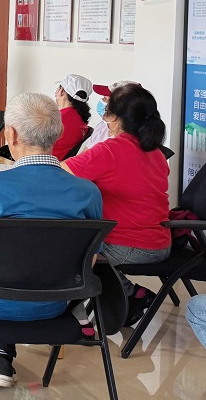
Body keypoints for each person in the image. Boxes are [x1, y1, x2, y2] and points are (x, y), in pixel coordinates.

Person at [0, 93, 102, 390]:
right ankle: (2, 358)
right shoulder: (88, 192)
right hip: (53, 306)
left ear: (10, 134)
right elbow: (88, 262)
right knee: (20, 262)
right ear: (57, 134)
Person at [63, 83, 170, 325]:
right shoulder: (156, 153)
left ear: (113, 117)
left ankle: (74, 318)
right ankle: (132, 294)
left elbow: (59, 173)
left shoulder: (110, 150)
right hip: (160, 242)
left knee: (69, 250)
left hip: (129, 246)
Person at [78, 80, 136, 153]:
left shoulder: (126, 141)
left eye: (105, 99)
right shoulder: (103, 125)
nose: (102, 101)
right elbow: (84, 154)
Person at [52, 73, 92, 160]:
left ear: (62, 91)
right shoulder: (79, 118)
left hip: (44, 162)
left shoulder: (57, 120)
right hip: (60, 163)